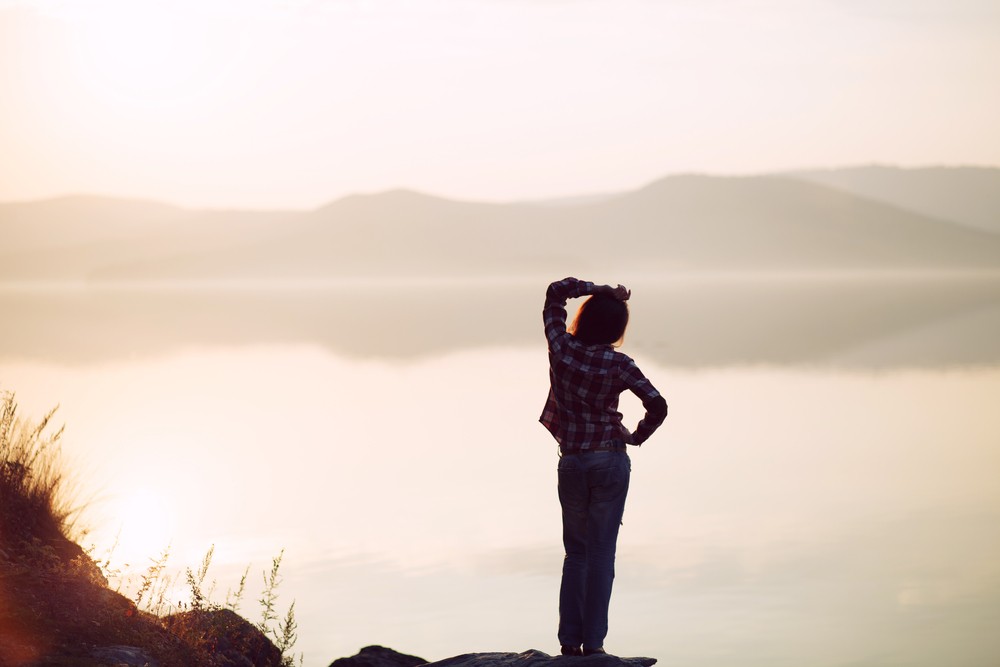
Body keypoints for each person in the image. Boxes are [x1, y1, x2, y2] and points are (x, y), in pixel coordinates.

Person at [539, 277, 668, 657]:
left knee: (575, 554)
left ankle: (568, 643)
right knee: (601, 555)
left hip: (573, 463)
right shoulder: (619, 364)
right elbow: (658, 405)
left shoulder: (561, 349)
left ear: (585, 318)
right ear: (616, 328)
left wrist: (600, 289)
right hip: (609, 460)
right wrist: (637, 436)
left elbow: (554, 293)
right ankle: (594, 645)